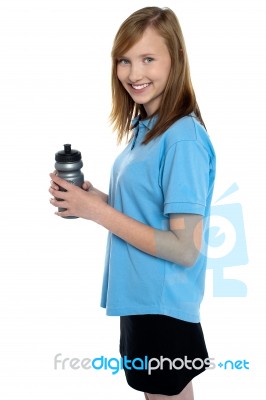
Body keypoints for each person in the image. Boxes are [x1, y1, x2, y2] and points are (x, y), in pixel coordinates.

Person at [49, 6, 216, 400]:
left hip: (163, 309)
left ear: (175, 61)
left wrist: (97, 212)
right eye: (124, 60)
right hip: (142, 301)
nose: (134, 73)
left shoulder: (183, 138)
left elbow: (185, 248)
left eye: (148, 59)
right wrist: (95, 200)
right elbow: (150, 212)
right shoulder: (147, 131)